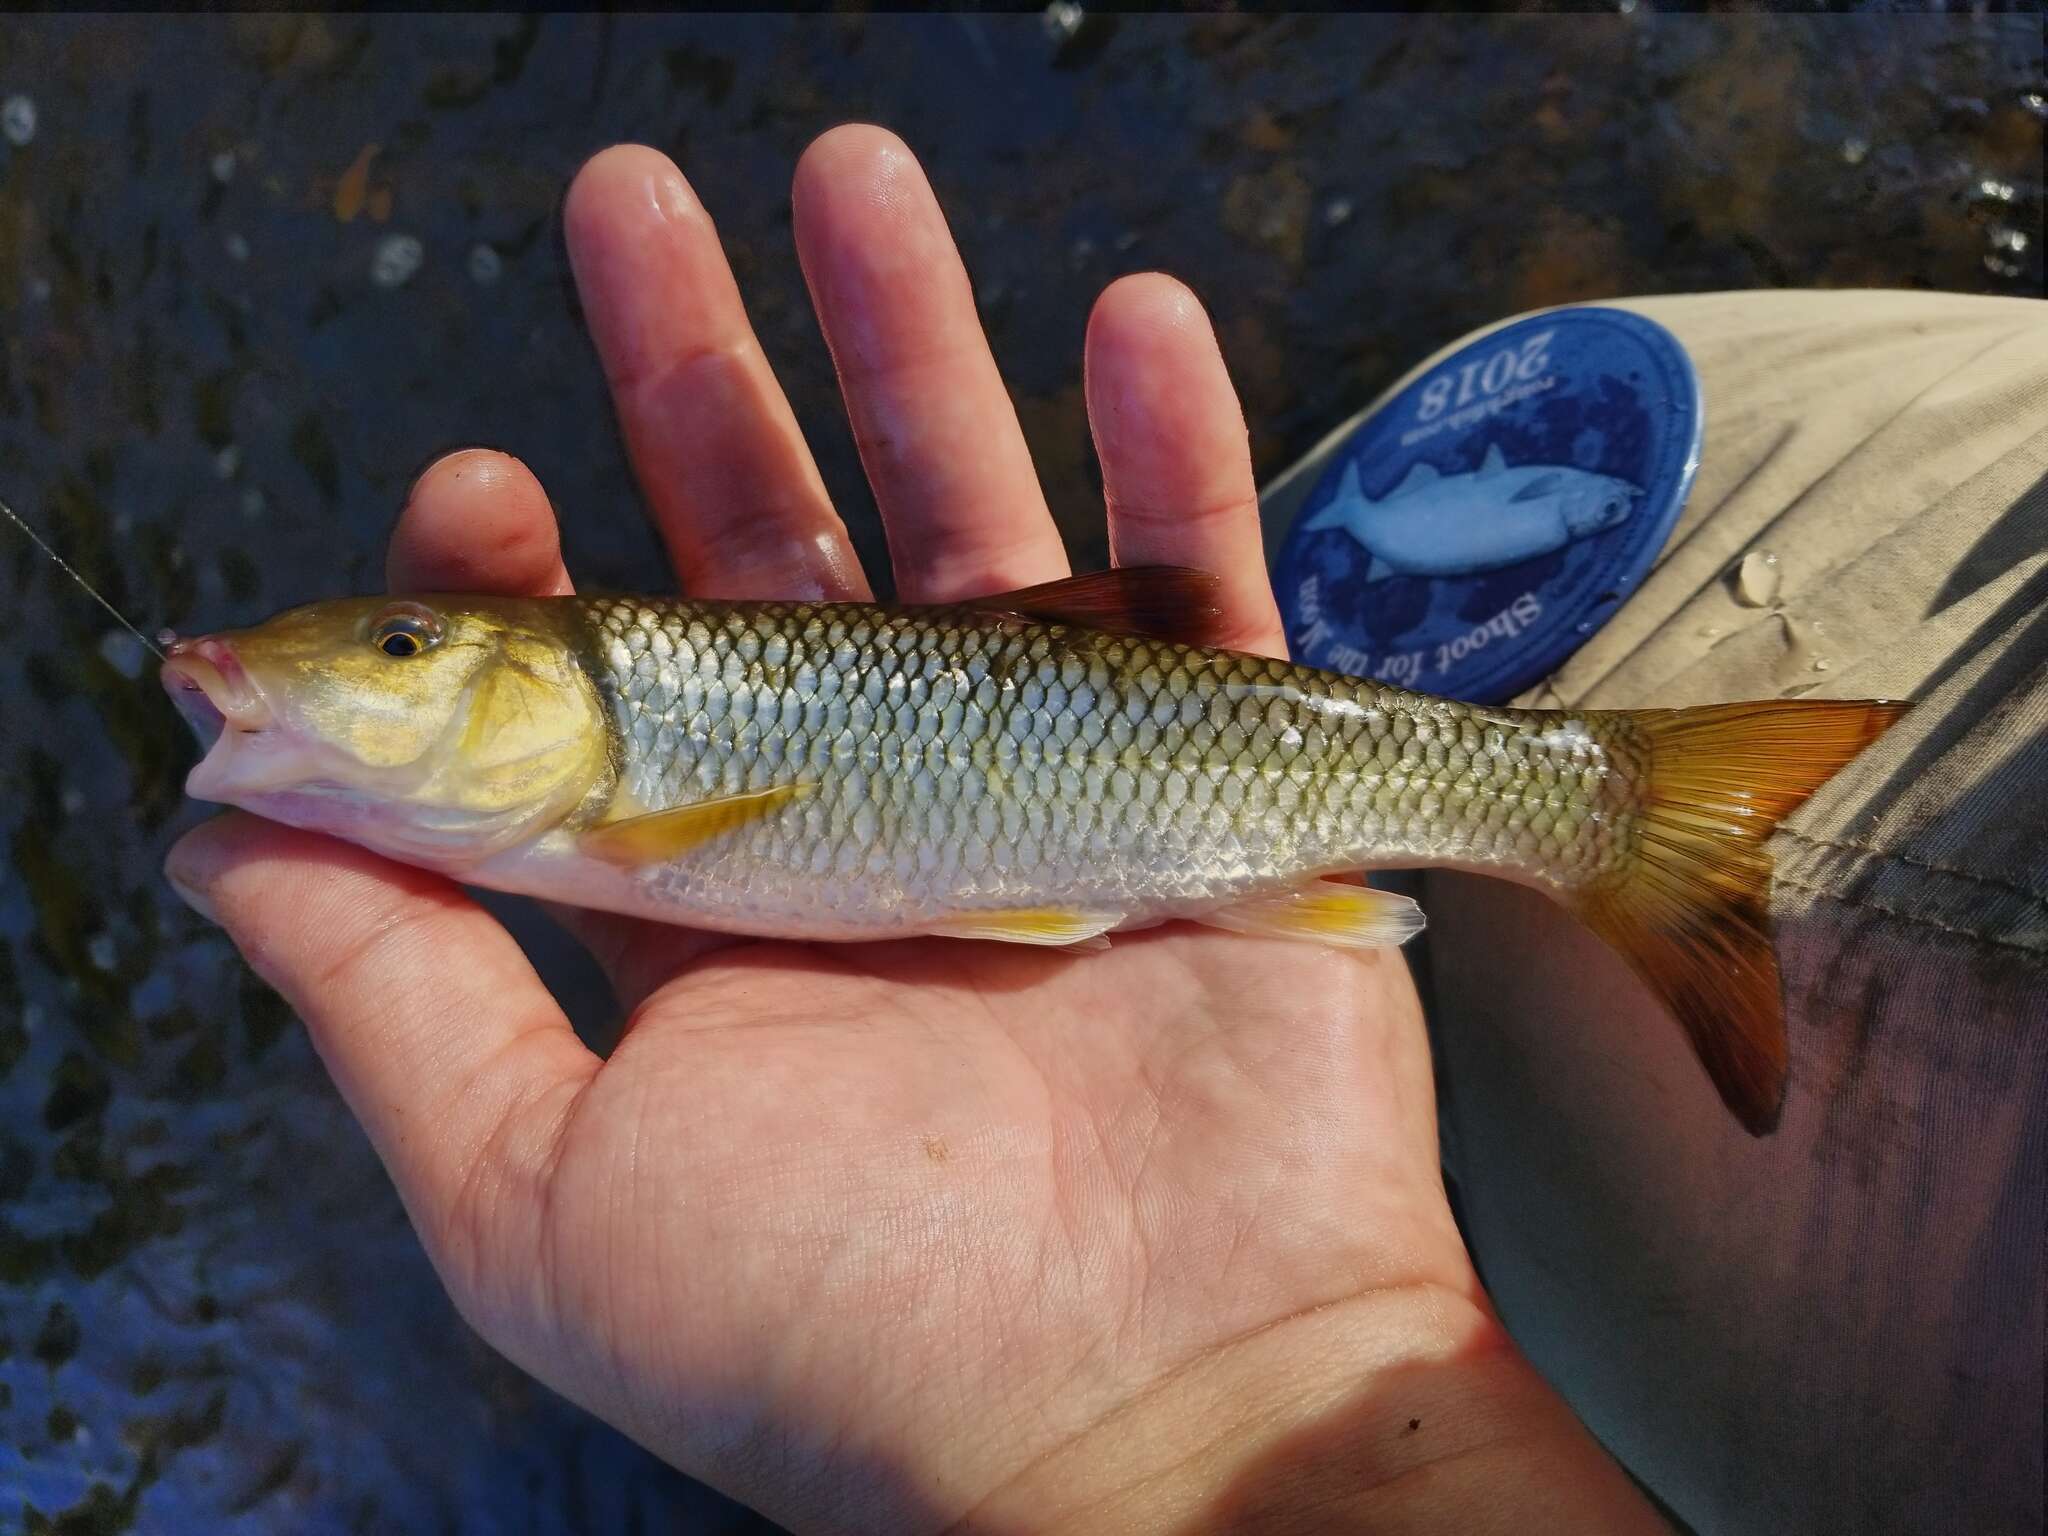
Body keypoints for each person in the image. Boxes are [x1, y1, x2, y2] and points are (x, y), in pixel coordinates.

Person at [163, 129, 2044, 1534]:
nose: (353, 669)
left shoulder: (633, 790)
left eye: (411, 648)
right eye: (408, 645)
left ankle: (1595, 790)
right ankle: (1561, 764)